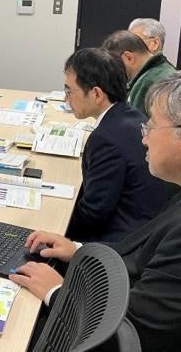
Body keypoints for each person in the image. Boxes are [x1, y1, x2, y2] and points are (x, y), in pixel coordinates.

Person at [11, 65, 181, 352]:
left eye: (151, 126)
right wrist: (79, 251)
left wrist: (58, 292)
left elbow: (129, 339)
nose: (143, 137)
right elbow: (143, 257)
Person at [62, 48, 171, 242]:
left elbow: (93, 213)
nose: (66, 99)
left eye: (69, 91)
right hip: (146, 224)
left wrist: (57, 227)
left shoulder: (106, 138)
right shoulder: (129, 115)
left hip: (120, 240)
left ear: (96, 94)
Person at [101, 30, 176, 115]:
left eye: (114, 64)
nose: (115, 70)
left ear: (129, 57)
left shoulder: (155, 82)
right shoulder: (151, 76)